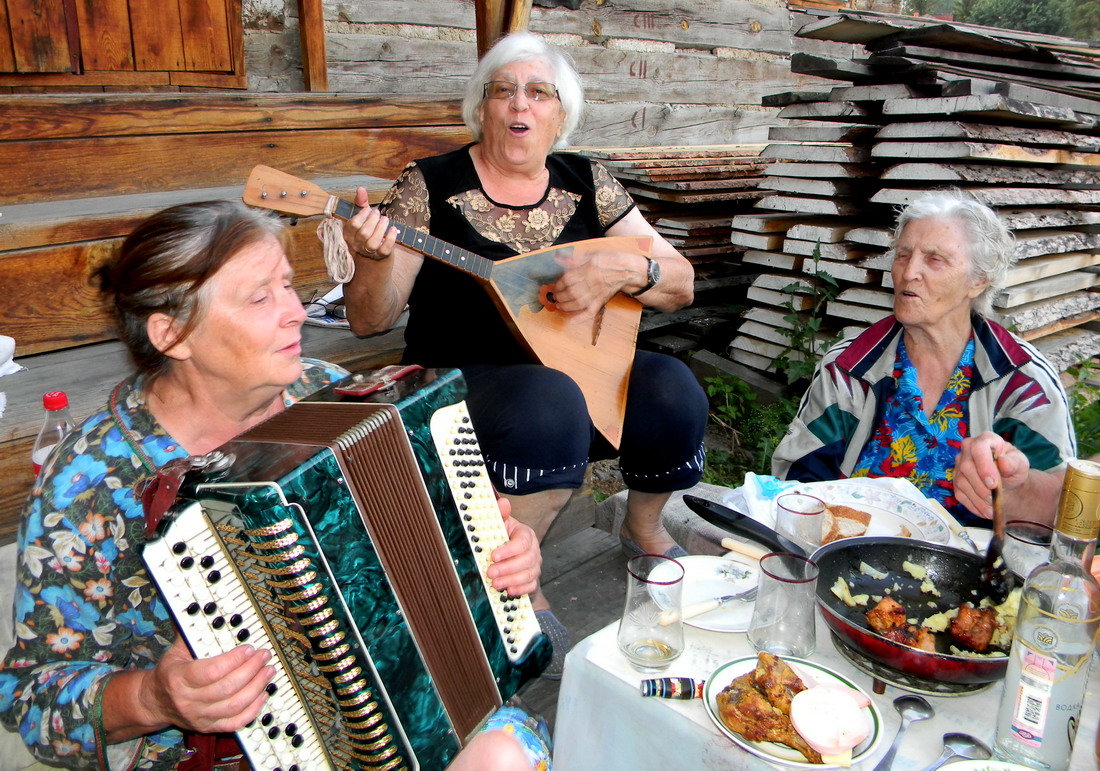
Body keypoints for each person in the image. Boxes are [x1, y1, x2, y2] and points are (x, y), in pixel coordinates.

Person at [0, 201, 550, 770]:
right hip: (223, 755)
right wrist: (154, 697)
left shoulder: (335, 397)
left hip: (420, 704)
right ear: (173, 334)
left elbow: (436, 548)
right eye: (260, 297)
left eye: (289, 286)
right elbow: (32, 700)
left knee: (502, 753)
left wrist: (497, 554)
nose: (296, 312)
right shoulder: (89, 480)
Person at [339, 31, 708, 635]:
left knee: (671, 386)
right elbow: (368, 321)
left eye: (540, 92)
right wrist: (373, 258)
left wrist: (625, 266)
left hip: (574, 370)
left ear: (562, 113)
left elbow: (680, 283)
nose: (520, 105)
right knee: (549, 400)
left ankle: (642, 526)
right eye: (503, 91)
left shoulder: (588, 181)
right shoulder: (429, 183)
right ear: (480, 107)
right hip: (464, 384)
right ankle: (517, 573)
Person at [772, 191, 1075, 526]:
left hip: (974, 569)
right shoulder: (850, 368)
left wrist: (1016, 490)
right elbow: (797, 482)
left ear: (978, 281)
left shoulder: (1023, 382)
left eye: (935, 259)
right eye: (903, 255)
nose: (909, 272)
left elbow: (1065, 508)